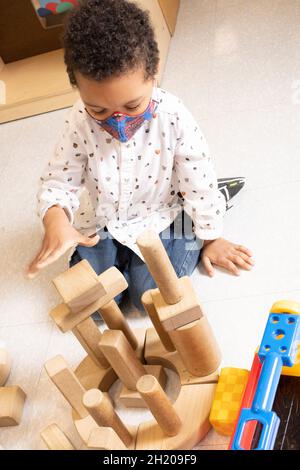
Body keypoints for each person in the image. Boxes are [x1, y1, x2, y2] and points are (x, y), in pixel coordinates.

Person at [26, 0, 254, 311]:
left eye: (132, 106)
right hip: (106, 220)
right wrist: (56, 221)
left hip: (165, 216)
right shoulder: (78, 121)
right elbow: (58, 181)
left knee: (150, 298)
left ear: (153, 73)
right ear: (77, 88)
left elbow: (198, 180)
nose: (117, 121)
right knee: (92, 303)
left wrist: (211, 238)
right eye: (99, 110)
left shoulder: (173, 116)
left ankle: (212, 206)